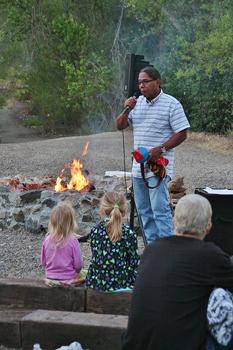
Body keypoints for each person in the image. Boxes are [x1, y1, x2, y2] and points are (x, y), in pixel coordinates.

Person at [121, 194, 233, 350]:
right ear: (209, 226)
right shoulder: (211, 256)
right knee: (223, 298)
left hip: (135, 345)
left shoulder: (151, 250)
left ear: (174, 221)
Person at [116, 66, 190, 244]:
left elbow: (182, 133)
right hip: (137, 168)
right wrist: (127, 109)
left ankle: (167, 252)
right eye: (139, 82)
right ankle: (152, 250)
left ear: (157, 82)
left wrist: (161, 149)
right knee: (143, 212)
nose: (141, 85)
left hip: (159, 167)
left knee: (160, 210)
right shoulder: (137, 103)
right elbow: (119, 125)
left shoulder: (171, 103)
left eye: (146, 81)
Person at [85, 191, 139, 292]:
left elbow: (96, 256)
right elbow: (134, 263)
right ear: (124, 210)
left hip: (97, 282)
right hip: (122, 283)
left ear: (102, 210)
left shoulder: (95, 231)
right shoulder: (129, 233)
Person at [41, 201, 84, 285]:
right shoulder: (73, 241)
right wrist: (77, 272)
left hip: (50, 278)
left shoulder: (46, 240)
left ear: (52, 222)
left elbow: (43, 262)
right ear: (71, 223)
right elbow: (78, 265)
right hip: (69, 278)